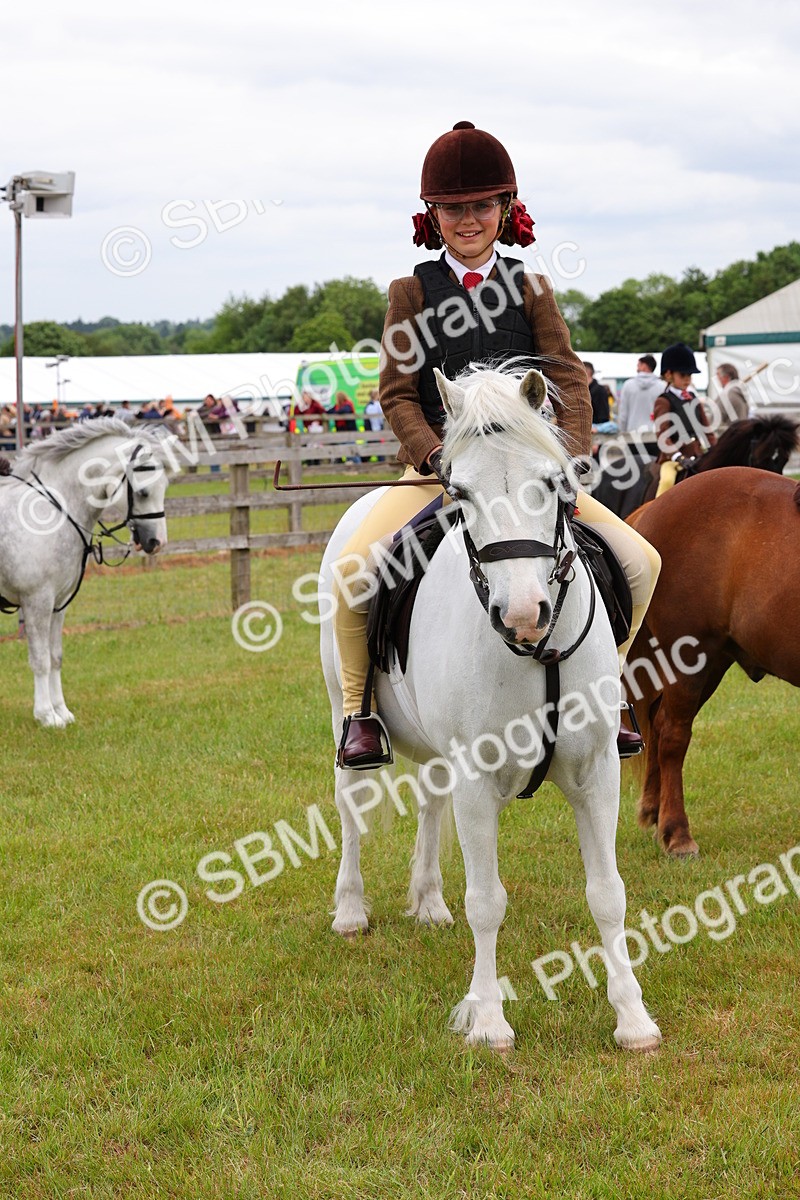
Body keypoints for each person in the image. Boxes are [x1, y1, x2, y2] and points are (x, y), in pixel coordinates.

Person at [332, 120, 661, 769]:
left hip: (528, 475)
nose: (468, 220)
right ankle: (358, 711)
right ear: (433, 215)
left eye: (481, 206)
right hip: (439, 473)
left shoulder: (532, 289)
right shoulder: (411, 293)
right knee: (353, 572)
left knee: (641, 561)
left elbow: (567, 375)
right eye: (453, 208)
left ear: (505, 209)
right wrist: (436, 457)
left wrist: (568, 455)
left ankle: (611, 688)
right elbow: (396, 393)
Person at [653, 342, 715, 497]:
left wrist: (715, 450)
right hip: (672, 458)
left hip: (697, 455)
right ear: (669, 375)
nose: (687, 379)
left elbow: (707, 431)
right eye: (683, 375)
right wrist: (678, 457)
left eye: (689, 375)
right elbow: (663, 436)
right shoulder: (663, 401)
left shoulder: (693, 398)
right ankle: (658, 509)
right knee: (667, 481)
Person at [616, 355, 662, 433]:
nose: (637, 367)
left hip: (632, 432)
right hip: (655, 432)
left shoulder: (628, 385)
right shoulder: (662, 386)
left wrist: (622, 431)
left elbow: (623, 413)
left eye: (638, 365)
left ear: (644, 366)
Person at [711, 363, 749, 427]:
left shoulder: (726, 395)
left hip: (730, 432)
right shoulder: (741, 394)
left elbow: (713, 420)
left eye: (717, 375)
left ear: (725, 377)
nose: (716, 378)